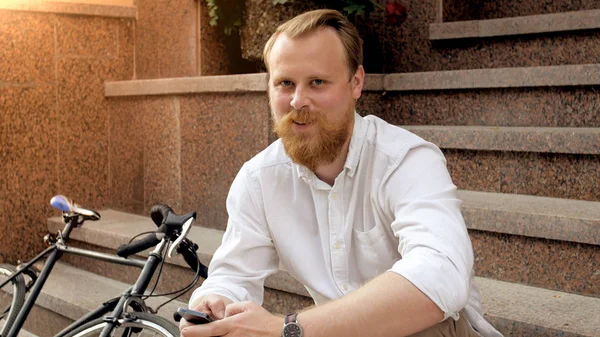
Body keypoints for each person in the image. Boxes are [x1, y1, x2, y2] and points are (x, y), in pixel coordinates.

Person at [180, 9, 503, 337]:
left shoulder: (406, 160)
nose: (297, 101)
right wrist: (214, 302)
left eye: (317, 82)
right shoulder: (259, 179)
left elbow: (441, 275)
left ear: (356, 83)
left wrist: (288, 329)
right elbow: (233, 275)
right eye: (285, 83)